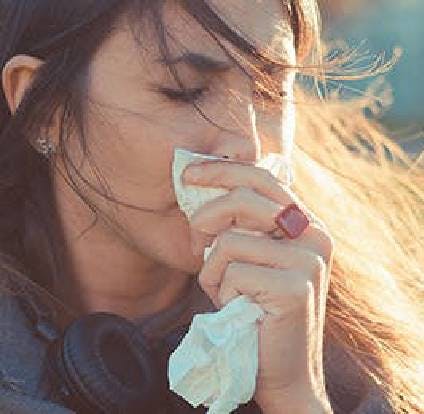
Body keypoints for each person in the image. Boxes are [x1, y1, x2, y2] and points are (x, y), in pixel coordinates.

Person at [0, 0, 422, 413]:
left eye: (270, 91)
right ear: (43, 108)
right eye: (186, 92)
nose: (249, 146)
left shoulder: (362, 361)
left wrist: (297, 396)